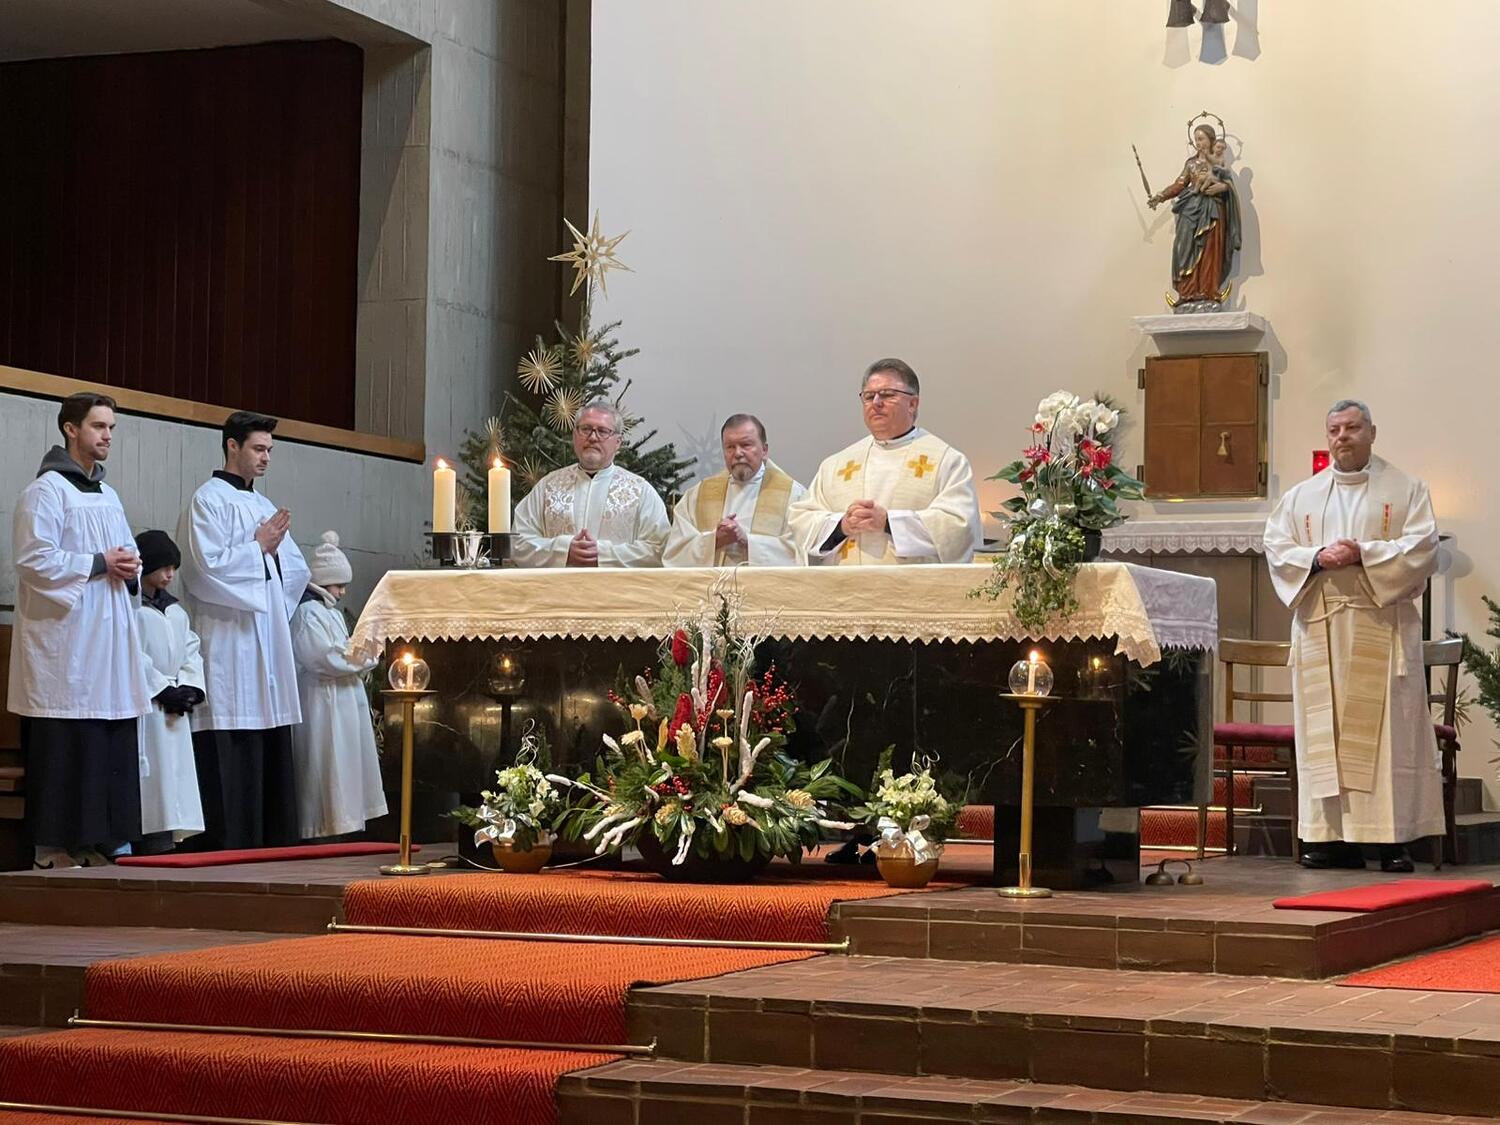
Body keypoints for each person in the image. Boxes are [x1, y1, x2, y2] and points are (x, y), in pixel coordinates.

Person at [1263, 400, 1445, 873]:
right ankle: (1328, 840)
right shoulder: (1300, 497)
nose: (1342, 436)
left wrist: (1364, 553)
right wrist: (1317, 558)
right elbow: (1277, 547)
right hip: (1321, 630)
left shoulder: (1406, 489)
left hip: (1380, 627)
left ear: (1372, 432)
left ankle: (1390, 840)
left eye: (1352, 428)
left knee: (1386, 739)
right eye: (1335, 429)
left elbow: (1423, 547)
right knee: (1324, 737)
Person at [9, 392, 152, 868]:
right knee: (66, 746)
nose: (108, 435)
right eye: (98, 426)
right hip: (67, 644)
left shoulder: (109, 496)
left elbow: (124, 554)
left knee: (105, 742)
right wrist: (99, 563)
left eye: (111, 427)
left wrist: (129, 567)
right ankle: (50, 848)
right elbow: (33, 560)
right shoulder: (46, 491)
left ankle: (96, 842)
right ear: (71, 429)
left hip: (107, 641)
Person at [177, 411, 310, 849]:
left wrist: (269, 558)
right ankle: (227, 844)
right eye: (258, 448)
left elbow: (295, 571)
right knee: (231, 734)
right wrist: (258, 550)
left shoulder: (265, 507)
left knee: (269, 732)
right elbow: (203, 570)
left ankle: (271, 842)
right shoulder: (206, 501)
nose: (266, 457)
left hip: (265, 640)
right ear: (232, 446)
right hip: (227, 639)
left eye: (270, 449)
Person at [788, 358, 981, 565]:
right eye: (869, 396)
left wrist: (888, 523)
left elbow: (959, 526)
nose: (876, 402)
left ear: (913, 404)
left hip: (913, 584)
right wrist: (842, 525)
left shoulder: (947, 460)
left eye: (887, 394)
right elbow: (802, 521)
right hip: (847, 583)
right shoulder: (835, 465)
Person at [289, 531, 387, 840]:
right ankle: (323, 829)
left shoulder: (328, 612)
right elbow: (324, 656)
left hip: (342, 698)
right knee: (327, 761)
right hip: (322, 699)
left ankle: (343, 825)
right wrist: (365, 655)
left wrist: (362, 653)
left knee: (344, 763)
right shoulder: (307, 613)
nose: (343, 592)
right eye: (338, 585)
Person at [512, 401, 671, 568]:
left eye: (603, 431)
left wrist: (603, 554)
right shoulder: (548, 486)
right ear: (575, 435)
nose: (593, 437)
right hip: (559, 584)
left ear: (618, 442)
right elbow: (518, 542)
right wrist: (563, 550)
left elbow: (659, 549)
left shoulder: (640, 491)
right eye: (586, 429)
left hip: (616, 585)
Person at [132, 529, 206, 850]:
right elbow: (132, 652)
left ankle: (171, 834)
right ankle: (149, 838)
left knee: (175, 774)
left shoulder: (176, 611)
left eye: (173, 568)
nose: (170, 574)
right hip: (148, 703)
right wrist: (160, 688)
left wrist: (191, 686)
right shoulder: (133, 609)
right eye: (164, 567)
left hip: (174, 705)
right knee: (153, 775)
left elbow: (191, 649)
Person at [663, 414, 808, 567]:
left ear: (764, 450)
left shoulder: (794, 496)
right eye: (730, 447)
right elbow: (674, 554)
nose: (738, 453)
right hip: (711, 583)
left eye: (746, 445)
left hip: (763, 583)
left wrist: (748, 542)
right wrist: (714, 540)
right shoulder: (696, 496)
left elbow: (803, 553)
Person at [1147, 123, 1241, 311]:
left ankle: (1208, 291)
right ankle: (1187, 292)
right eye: (1196, 139)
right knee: (1184, 248)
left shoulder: (1218, 162)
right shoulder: (1191, 164)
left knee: (1209, 251)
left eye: (1202, 139)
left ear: (1211, 140)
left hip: (1212, 212)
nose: (1199, 143)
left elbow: (1229, 185)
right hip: (1190, 211)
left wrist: (1224, 187)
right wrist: (1161, 196)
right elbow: (1179, 184)